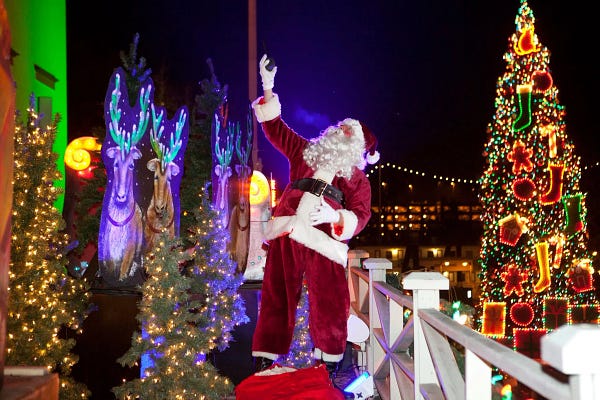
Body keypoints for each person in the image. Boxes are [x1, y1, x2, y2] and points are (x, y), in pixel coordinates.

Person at [251, 54, 380, 385]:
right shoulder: (305, 151)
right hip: (288, 227)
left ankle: (329, 362)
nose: (339, 133)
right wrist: (268, 85)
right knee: (277, 294)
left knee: (330, 299)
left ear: (357, 147)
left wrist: (336, 215)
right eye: (340, 129)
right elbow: (275, 128)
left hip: (324, 238)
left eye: (347, 133)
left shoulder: (355, 177)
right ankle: (265, 358)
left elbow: (362, 213)